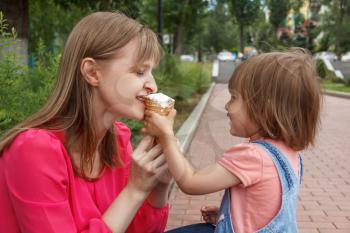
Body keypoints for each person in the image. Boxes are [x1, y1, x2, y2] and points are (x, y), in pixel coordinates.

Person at [0, 11, 172, 233]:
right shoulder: (34, 150)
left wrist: (159, 185)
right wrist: (135, 190)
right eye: (140, 72)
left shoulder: (118, 140)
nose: (153, 86)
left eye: (151, 72)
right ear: (92, 72)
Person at [143, 48, 322, 233]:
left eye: (234, 98)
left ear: (263, 107)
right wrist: (228, 213)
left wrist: (167, 136)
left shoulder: (253, 155)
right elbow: (263, 207)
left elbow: (190, 182)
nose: (227, 106)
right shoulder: (289, 156)